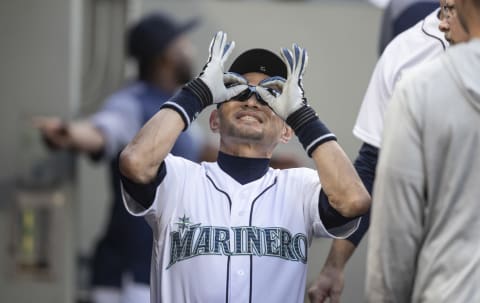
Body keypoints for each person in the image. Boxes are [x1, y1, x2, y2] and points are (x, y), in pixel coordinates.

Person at [118, 31, 371, 302]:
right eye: (238, 92)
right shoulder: (179, 180)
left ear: (287, 132)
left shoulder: (301, 188)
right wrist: (198, 92)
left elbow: (354, 200)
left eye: (269, 97)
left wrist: (302, 116)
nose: (251, 101)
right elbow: (135, 162)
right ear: (214, 121)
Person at [34, 13, 202, 303]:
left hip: (164, 267)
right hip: (129, 274)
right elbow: (103, 130)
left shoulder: (178, 106)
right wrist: (69, 133)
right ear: (165, 56)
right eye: (183, 42)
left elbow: (198, 154)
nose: (192, 49)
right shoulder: (131, 102)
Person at [307, 1, 467, 302]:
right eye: (446, 9)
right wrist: (334, 266)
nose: (448, 20)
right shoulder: (404, 52)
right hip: (427, 251)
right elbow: (372, 167)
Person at [365, 0, 480, 299]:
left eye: (449, 9)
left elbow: (396, 236)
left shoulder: (420, 90)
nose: (442, 22)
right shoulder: (410, 67)